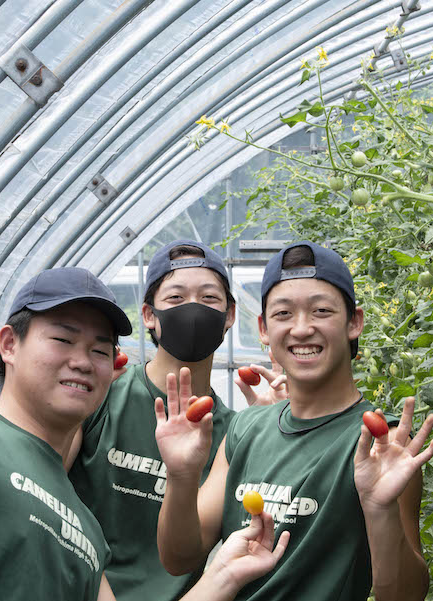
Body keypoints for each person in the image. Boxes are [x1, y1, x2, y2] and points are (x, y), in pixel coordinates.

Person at [0, 267, 288, 601]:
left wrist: (222, 577)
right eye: (63, 340)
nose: (81, 360)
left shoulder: (88, 534)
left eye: (99, 350)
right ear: (9, 345)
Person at [155, 241, 433, 601]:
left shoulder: (382, 445)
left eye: (321, 310)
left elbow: (403, 596)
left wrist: (380, 509)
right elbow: (179, 558)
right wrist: (181, 476)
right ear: (263, 329)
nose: (302, 329)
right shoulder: (246, 430)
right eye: (283, 314)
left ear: (355, 322)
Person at [67, 240, 287, 601]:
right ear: (149, 315)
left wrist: (276, 425)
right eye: (175, 298)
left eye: (209, 299)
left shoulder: (236, 434)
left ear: (230, 315)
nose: (193, 310)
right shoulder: (102, 394)